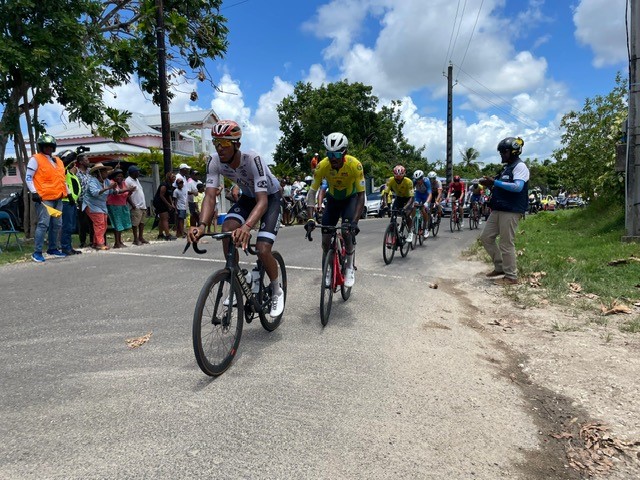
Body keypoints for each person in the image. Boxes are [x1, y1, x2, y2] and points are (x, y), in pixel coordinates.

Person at [188, 119, 285, 317]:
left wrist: (247, 227)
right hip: (248, 197)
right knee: (227, 229)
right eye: (216, 143)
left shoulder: (253, 159)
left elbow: (263, 201)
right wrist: (202, 225)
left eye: (224, 143)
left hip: (270, 198)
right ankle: (237, 279)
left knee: (262, 248)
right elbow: (209, 196)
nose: (219, 148)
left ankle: (276, 290)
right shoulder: (214, 161)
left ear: (237, 144)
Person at [304, 132, 365, 288]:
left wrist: (354, 222)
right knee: (325, 240)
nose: (333, 158)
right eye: (329, 154)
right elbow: (312, 193)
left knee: (346, 231)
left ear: (344, 152)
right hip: (332, 200)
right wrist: (310, 218)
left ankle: (349, 266)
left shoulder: (355, 165)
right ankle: (329, 269)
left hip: (350, 199)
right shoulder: (322, 166)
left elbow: (361, 195)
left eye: (336, 154)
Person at [479, 136, 530, 286]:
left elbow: (518, 187)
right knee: (486, 238)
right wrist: (490, 184)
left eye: (504, 152)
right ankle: (500, 267)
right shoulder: (506, 168)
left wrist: (495, 182)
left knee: (506, 243)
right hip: (498, 209)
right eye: (500, 152)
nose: (501, 154)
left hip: (511, 210)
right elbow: (501, 186)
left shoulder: (520, 167)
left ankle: (511, 276)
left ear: (514, 152)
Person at [25, 134, 71, 263]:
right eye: (46, 146)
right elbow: (28, 177)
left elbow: (62, 179)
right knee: (43, 224)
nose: (48, 148)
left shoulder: (58, 161)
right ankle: (37, 252)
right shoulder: (35, 159)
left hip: (58, 197)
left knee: (57, 224)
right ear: (41, 147)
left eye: (51, 146)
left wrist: (68, 194)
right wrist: (34, 192)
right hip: (44, 198)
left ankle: (53, 248)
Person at [83, 163, 116, 250]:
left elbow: (112, 191)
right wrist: (108, 188)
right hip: (91, 205)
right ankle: (100, 243)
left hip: (101, 205)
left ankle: (95, 242)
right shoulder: (92, 181)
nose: (106, 173)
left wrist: (114, 189)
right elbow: (95, 193)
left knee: (104, 224)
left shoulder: (106, 181)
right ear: (99, 173)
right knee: (99, 224)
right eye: (104, 172)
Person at [382, 165, 415, 243]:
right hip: (399, 198)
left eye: (400, 177)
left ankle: (410, 232)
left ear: (404, 175)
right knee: (393, 215)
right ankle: (392, 235)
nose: (398, 179)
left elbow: (411, 197)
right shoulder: (390, 180)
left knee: (406, 215)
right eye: (397, 178)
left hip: (408, 199)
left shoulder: (409, 181)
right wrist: (385, 204)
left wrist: (405, 207)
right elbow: (385, 193)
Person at [59, 150, 82, 255]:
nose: (74, 164)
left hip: (72, 202)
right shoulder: (62, 171)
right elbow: (64, 165)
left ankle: (69, 247)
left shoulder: (71, 174)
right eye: (73, 162)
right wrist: (74, 154)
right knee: (67, 226)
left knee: (71, 226)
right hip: (66, 201)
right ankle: (65, 247)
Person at [106, 168, 135, 248]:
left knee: (121, 224)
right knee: (117, 224)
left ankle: (120, 241)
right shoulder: (112, 183)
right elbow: (116, 192)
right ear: (114, 177)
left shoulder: (123, 183)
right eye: (118, 176)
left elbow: (125, 194)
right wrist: (127, 189)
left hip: (122, 205)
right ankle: (117, 243)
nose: (120, 178)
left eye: (121, 176)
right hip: (114, 206)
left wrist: (130, 191)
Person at [125, 165, 149, 245]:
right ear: (133, 172)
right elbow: (127, 194)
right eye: (137, 171)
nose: (139, 173)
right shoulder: (128, 181)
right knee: (135, 223)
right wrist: (133, 204)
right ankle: (135, 239)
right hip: (136, 205)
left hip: (142, 205)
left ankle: (141, 237)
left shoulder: (136, 180)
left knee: (142, 222)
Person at [75, 154, 94, 248]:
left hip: (92, 200)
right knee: (82, 222)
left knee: (92, 221)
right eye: (86, 160)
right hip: (81, 200)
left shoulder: (91, 171)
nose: (88, 162)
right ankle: (82, 241)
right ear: (81, 162)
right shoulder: (77, 173)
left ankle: (92, 241)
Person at [152, 172, 177, 240]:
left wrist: (172, 203)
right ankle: (168, 235)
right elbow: (161, 196)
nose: (174, 178)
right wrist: (168, 205)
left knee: (162, 219)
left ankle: (160, 234)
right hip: (160, 202)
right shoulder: (164, 185)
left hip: (164, 202)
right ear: (169, 178)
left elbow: (169, 195)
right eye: (173, 177)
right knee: (165, 218)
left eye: (174, 177)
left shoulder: (169, 185)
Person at [411, 170, 432, 239]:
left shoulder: (426, 181)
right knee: (414, 206)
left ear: (422, 177)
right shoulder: (414, 182)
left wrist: (427, 202)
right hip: (418, 194)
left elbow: (430, 194)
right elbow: (410, 191)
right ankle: (413, 222)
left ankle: (425, 228)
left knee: (423, 210)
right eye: (416, 179)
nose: (418, 181)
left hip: (426, 195)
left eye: (419, 179)